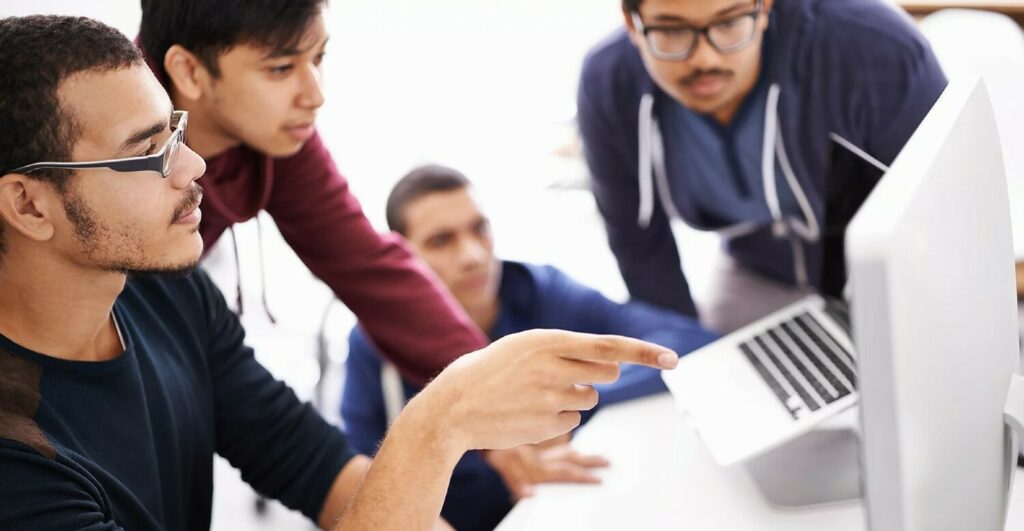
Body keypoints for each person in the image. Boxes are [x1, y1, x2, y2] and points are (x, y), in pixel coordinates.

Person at [0, 16, 679, 530]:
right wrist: (437, 424)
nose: (195, 168)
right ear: (29, 203)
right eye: (149, 153)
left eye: (175, 135)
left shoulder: (166, 292)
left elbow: (310, 458)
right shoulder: (17, 465)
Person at [341, 165, 718, 530]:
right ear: (402, 258)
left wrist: (560, 404)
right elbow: (358, 486)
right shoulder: (372, 345)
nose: (473, 255)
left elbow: (682, 343)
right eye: (442, 240)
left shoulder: (540, 290)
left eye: (480, 229)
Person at [136, 0, 487, 387]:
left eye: (318, 58)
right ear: (188, 71)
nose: (314, 95)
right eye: (281, 68)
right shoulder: (115, 144)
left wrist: (494, 387)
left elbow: (367, 265)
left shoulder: (274, 136)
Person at [578, 0, 948, 333]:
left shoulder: (875, 46)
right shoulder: (608, 83)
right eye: (672, 30)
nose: (704, 59)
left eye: (730, 21)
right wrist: (682, 349)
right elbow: (640, 250)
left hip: (884, 274)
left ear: (765, 6)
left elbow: (941, 210)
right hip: (755, 271)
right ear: (632, 21)